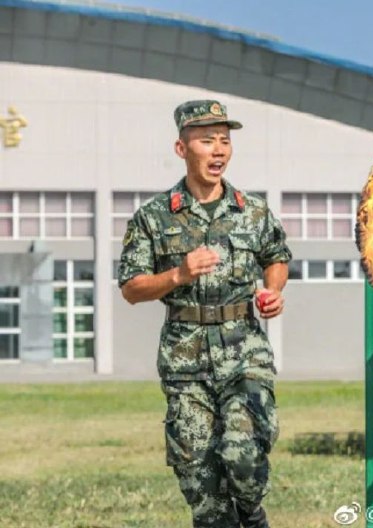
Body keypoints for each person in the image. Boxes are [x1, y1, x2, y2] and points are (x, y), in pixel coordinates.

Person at [117, 100, 291, 528]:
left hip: (244, 349)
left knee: (242, 455)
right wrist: (178, 272)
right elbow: (132, 288)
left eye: (225, 141)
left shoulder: (253, 210)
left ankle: (252, 514)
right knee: (201, 486)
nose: (218, 151)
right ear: (182, 148)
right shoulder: (153, 218)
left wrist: (272, 289)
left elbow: (277, 256)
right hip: (185, 358)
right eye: (207, 141)